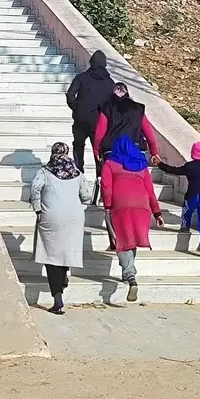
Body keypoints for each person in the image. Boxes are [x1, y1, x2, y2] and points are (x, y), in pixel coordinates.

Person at [29, 142, 92, 315]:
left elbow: (35, 189)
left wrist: (37, 208)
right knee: (65, 250)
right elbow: (87, 195)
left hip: (51, 216)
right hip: (74, 217)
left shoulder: (44, 172)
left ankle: (58, 301)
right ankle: (63, 278)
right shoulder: (77, 173)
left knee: (51, 256)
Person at [101, 134, 164, 302]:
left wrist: (107, 205)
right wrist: (157, 213)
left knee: (122, 241)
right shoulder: (142, 166)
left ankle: (130, 277)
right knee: (131, 238)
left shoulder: (110, 164)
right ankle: (127, 272)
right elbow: (150, 192)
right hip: (142, 206)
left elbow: (106, 186)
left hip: (120, 206)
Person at [156, 141, 200, 256]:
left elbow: (174, 170)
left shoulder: (189, 166)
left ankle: (185, 226)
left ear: (193, 153)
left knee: (187, 211)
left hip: (192, 195)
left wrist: (160, 164)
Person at [65, 50, 115, 183]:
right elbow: (113, 103)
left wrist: (76, 108)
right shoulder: (110, 83)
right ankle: (100, 178)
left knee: (78, 145)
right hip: (99, 123)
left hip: (81, 119)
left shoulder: (81, 78)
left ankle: (78, 173)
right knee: (98, 150)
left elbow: (70, 95)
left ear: (91, 63)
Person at [93, 82, 161, 166]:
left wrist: (96, 150)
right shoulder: (138, 109)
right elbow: (149, 133)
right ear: (127, 94)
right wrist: (154, 153)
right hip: (136, 149)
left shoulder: (107, 108)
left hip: (112, 149)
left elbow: (100, 133)